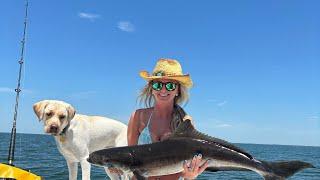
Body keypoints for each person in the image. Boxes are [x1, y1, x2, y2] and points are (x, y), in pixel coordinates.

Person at [127, 58, 209, 180]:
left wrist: (191, 176)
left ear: (178, 90)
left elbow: (189, 171)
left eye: (170, 85)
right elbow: (130, 159)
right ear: (152, 88)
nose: (163, 90)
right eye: (157, 84)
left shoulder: (185, 121)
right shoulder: (137, 117)